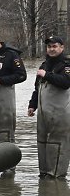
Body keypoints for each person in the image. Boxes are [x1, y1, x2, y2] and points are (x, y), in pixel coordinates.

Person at [27, 36, 70, 179]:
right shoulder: (44, 65)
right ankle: (44, 174)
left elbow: (65, 82)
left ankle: (57, 176)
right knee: (42, 143)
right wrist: (32, 105)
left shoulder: (66, 64)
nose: (51, 49)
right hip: (44, 113)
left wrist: (48, 75)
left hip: (60, 113)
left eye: (54, 46)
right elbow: (36, 88)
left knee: (58, 143)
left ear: (62, 47)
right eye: (49, 47)